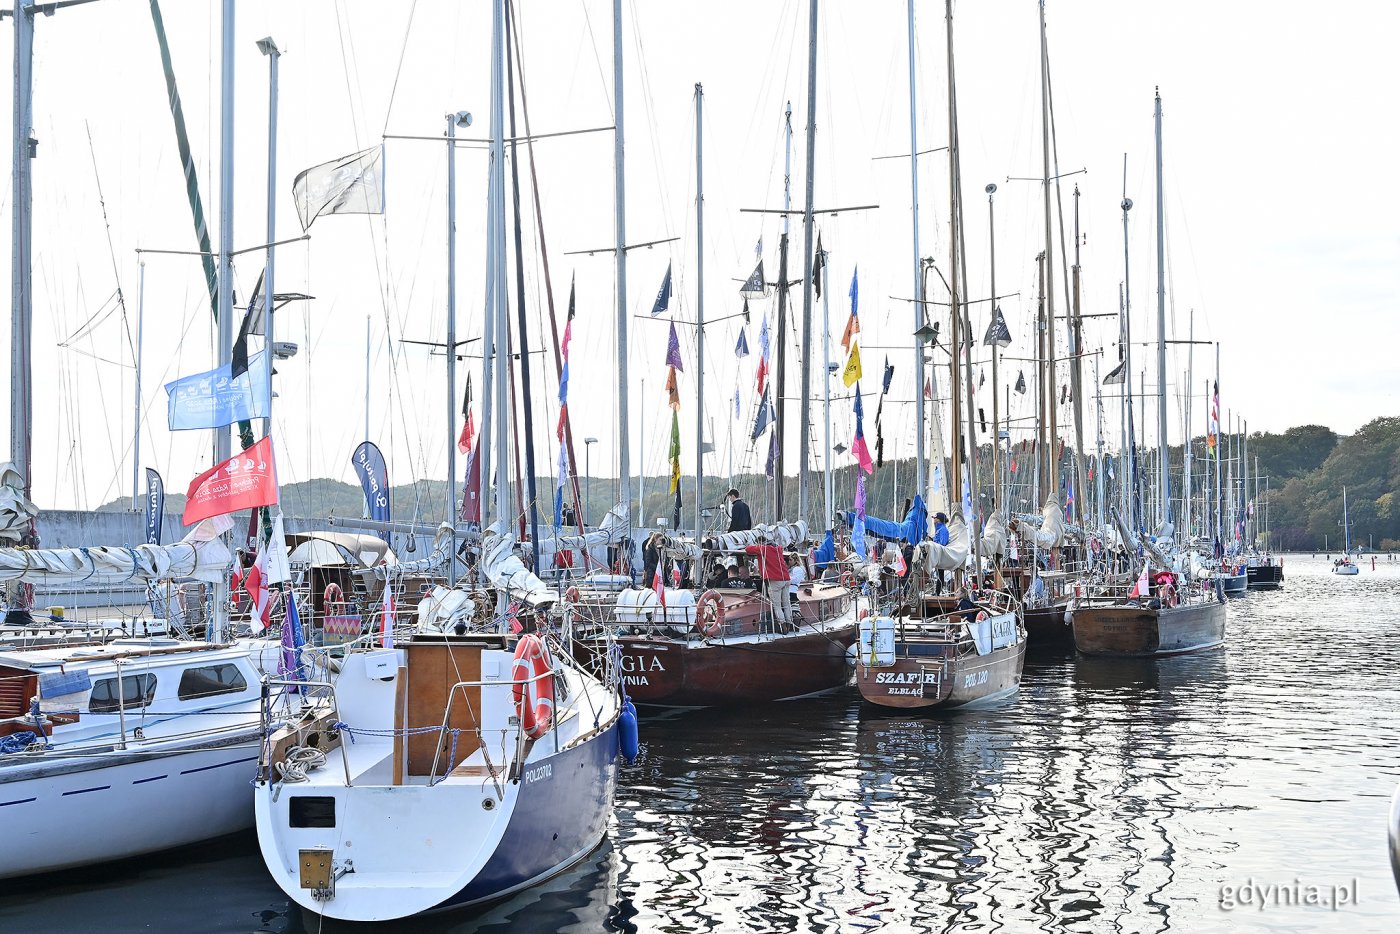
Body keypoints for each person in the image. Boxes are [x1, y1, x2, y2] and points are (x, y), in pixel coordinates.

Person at [745, 542, 791, 628]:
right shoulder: (779, 549)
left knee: (777, 605)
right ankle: (790, 623)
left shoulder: (763, 549)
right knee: (786, 603)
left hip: (775, 580)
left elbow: (748, 549)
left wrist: (756, 545)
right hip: (786, 579)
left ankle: (783, 626)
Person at [932, 512, 950, 595]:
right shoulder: (939, 529)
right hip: (937, 554)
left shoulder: (943, 529)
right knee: (938, 574)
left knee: (940, 574)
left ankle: (937, 592)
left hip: (940, 554)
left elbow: (943, 543)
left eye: (935, 518)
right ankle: (937, 591)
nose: (934, 520)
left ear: (938, 520)